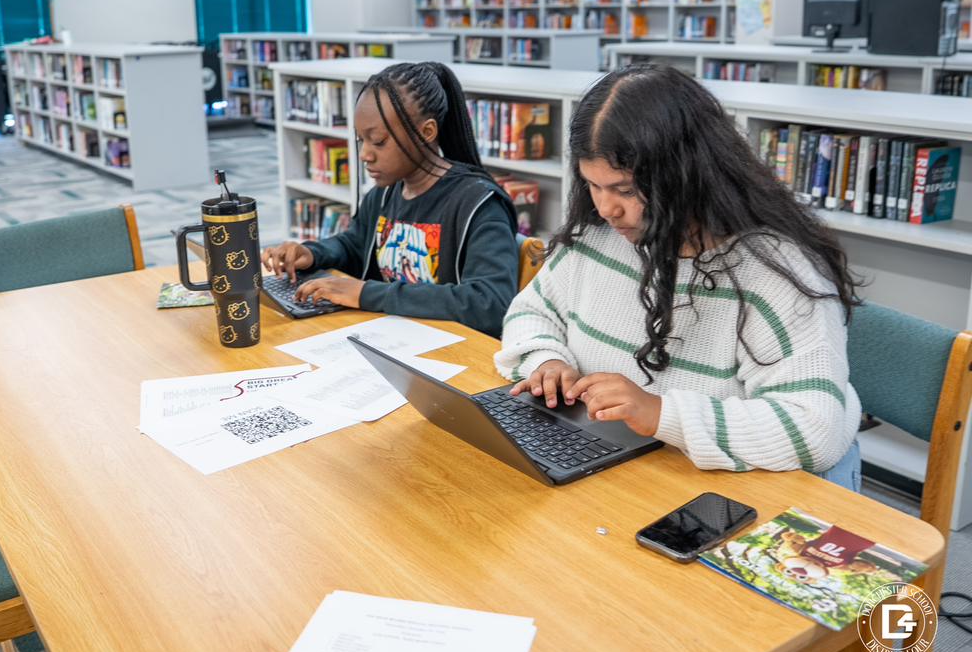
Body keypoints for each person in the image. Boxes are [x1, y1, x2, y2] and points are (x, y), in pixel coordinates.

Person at [495, 64, 864, 490]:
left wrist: (659, 414)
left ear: (686, 176)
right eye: (592, 185)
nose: (605, 209)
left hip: (740, 486)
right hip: (623, 466)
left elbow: (812, 429)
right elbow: (532, 311)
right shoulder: (598, 237)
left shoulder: (776, 275)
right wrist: (547, 361)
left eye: (626, 189)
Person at [262, 61, 519, 338]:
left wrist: (367, 293)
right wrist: (312, 253)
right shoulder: (384, 193)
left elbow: (489, 303)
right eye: (362, 140)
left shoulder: (479, 204)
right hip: (395, 339)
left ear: (427, 132)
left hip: (454, 351)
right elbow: (356, 244)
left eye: (379, 141)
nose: (364, 155)